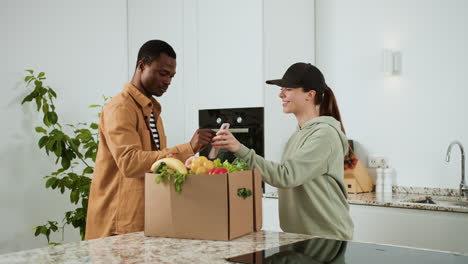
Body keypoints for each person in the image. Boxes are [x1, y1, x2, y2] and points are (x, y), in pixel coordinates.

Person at [85, 40, 215, 240]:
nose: (168, 81)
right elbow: (129, 163)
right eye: (163, 73)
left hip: (142, 220)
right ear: (141, 66)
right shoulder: (121, 108)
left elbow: (155, 166)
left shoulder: (152, 111)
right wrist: (188, 148)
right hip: (117, 226)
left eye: (171, 76)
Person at [212, 62, 354, 240]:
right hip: (301, 237)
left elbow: (286, 176)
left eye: (288, 88)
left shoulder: (324, 135)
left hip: (325, 239)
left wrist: (238, 148)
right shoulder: (299, 134)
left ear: (309, 95)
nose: (281, 94)